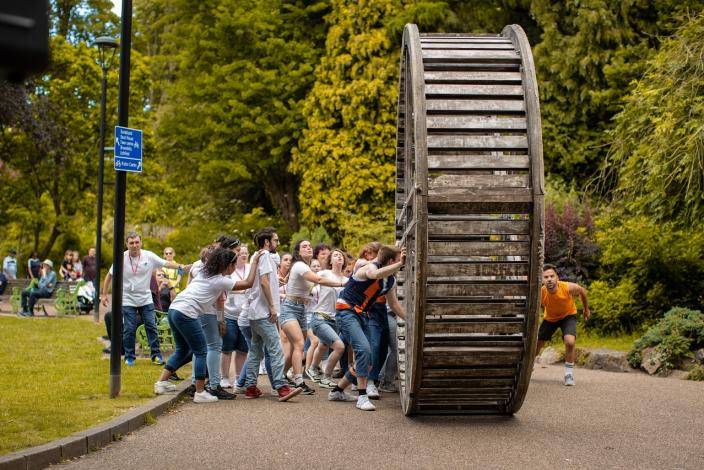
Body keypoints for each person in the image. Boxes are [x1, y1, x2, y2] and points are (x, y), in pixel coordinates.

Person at [153, 247, 261, 403]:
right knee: (202, 351)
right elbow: (248, 283)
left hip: (174, 309)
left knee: (183, 349)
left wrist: (220, 319)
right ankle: (200, 392)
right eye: (233, 264)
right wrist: (255, 261)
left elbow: (218, 300)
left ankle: (161, 383)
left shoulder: (205, 272)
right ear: (228, 265)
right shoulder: (220, 280)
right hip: (186, 313)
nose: (235, 267)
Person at [329, 245, 406, 411]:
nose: (402, 263)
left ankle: (337, 391)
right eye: (399, 260)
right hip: (346, 311)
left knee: (369, 359)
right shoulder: (370, 267)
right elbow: (374, 274)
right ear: (391, 261)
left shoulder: (390, 281)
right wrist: (399, 265)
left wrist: (410, 320)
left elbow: (394, 305)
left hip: (363, 315)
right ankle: (362, 397)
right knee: (364, 350)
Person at [101, 231, 188, 366]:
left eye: (137, 242)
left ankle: (156, 355)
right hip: (128, 299)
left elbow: (167, 263)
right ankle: (130, 357)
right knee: (129, 329)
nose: (135, 245)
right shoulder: (121, 258)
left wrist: (181, 266)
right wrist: (104, 294)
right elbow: (109, 276)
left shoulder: (149, 256)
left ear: (140, 243)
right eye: (131, 243)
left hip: (145, 298)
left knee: (151, 326)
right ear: (127, 244)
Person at [242, 227, 302, 402]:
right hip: (264, 312)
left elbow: (267, 278)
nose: (278, 243)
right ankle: (282, 387)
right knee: (275, 348)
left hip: (255, 312)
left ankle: (251, 387)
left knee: (255, 350)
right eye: (275, 240)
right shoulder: (265, 255)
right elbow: (264, 282)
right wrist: (272, 307)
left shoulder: (257, 255)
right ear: (267, 242)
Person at [280, 239, 346, 395]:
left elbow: (294, 282)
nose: (308, 248)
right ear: (298, 251)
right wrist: (342, 284)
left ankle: (279, 376)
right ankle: (298, 380)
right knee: (299, 344)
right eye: (304, 246)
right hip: (289, 308)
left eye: (310, 246)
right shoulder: (300, 265)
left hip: (301, 309)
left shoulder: (306, 267)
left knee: (294, 349)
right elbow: (319, 280)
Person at [535, 264, 590, 386]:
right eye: (546, 277)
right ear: (542, 280)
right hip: (550, 319)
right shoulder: (540, 293)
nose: (549, 279)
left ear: (557, 278)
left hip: (568, 316)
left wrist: (586, 309)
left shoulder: (567, 287)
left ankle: (568, 374)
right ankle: (529, 367)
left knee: (570, 342)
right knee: (537, 345)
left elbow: (582, 291)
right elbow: (534, 309)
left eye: (551, 276)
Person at [306, 249, 348, 388]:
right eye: (335, 255)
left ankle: (312, 369)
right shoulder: (324, 273)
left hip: (336, 320)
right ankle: (326, 376)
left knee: (323, 345)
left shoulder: (347, 280)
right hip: (319, 317)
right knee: (339, 347)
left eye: (341, 255)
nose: (339, 257)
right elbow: (307, 280)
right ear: (330, 261)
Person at [220, 245, 250, 389]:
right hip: (230, 314)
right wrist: (244, 290)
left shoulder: (250, 269)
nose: (244, 255)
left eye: (246, 253)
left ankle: (239, 379)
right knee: (227, 348)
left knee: (243, 349)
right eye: (241, 253)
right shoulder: (228, 271)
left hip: (246, 316)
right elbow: (225, 288)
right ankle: (224, 377)